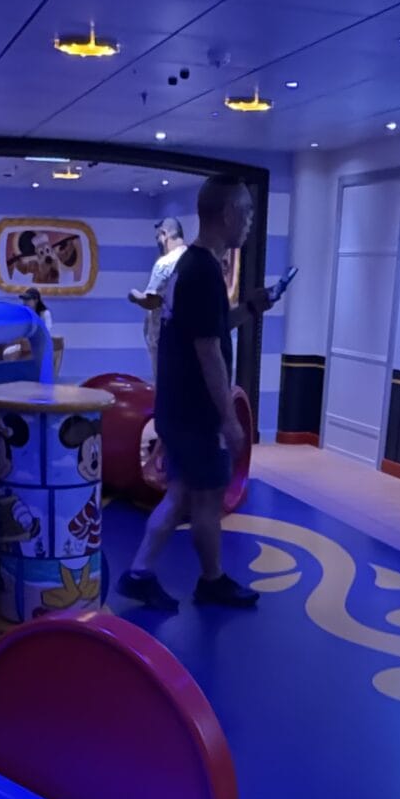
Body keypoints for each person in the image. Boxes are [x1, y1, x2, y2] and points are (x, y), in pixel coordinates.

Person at [117, 173, 260, 612]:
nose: (250, 221)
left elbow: (209, 326)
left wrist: (251, 308)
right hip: (197, 414)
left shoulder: (190, 268)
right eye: (247, 212)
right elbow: (208, 351)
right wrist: (229, 419)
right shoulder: (203, 272)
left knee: (181, 493)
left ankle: (141, 573)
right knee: (206, 499)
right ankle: (210, 580)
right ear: (229, 213)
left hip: (178, 408)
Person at [129, 216, 187, 359]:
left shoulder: (166, 262)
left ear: (164, 234)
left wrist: (134, 295)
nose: (158, 243)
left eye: (158, 238)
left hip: (165, 341)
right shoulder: (192, 259)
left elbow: (152, 301)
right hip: (187, 340)